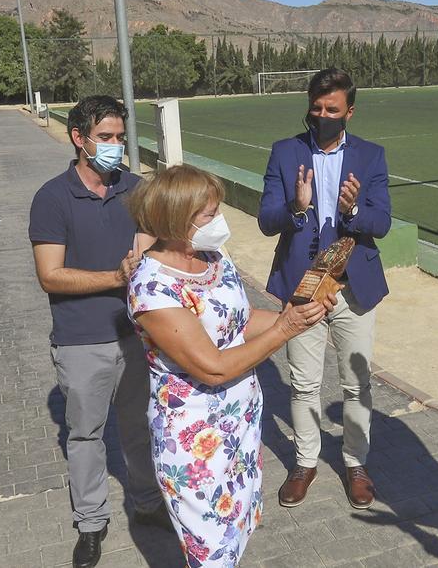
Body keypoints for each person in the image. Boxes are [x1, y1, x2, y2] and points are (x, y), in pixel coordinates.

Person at [126, 164, 332, 566]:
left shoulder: (212, 256)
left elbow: (236, 320)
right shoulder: (152, 288)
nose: (218, 221)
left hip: (238, 423)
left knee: (236, 532)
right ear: (176, 219)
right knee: (212, 551)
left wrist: (296, 316)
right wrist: (285, 330)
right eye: (208, 214)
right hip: (194, 442)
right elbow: (213, 367)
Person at [28, 95, 167, 568]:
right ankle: (91, 522)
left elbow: (152, 249)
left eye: (118, 137)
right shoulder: (52, 197)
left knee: (139, 428)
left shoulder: (136, 188)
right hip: (81, 339)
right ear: (79, 138)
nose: (114, 146)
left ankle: (149, 504)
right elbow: (51, 274)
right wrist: (115, 277)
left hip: (137, 335)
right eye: (104, 138)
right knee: (86, 435)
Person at [258, 68, 392, 509]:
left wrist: (353, 212)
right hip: (303, 286)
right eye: (316, 108)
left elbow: (383, 223)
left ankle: (356, 463)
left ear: (349, 111)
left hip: (355, 288)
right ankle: (305, 462)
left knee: (356, 383)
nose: (322, 115)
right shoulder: (284, 152)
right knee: (303, 383)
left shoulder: (371, 157)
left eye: (332, 109)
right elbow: (265, 220)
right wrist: (296, 208)